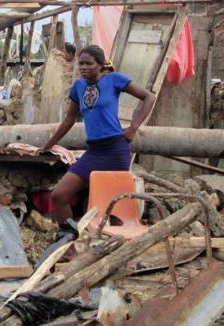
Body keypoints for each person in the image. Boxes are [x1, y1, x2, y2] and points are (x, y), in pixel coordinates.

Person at [39, 45, 156, 236]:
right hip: (93, 152)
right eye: (81, 63)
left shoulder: (114, 80)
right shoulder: (78, 87)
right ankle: (69, 246)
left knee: (115, 207)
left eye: (88, 64)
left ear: (101, 66)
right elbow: (69, 120)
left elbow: (149, 97)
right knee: (59, 195)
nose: (83, 67)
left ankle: (118, 250)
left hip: (115, 151)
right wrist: (48, 145)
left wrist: (134, 128)